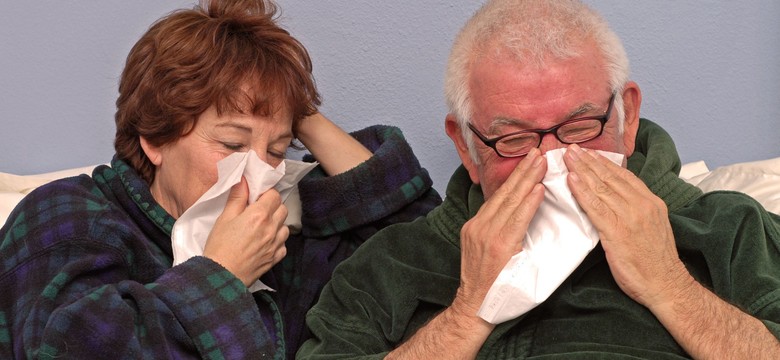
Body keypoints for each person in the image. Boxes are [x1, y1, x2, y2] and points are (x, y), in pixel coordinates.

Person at [299, 0, 780, 358]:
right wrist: (469, 311)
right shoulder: (389, 265)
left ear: (627, 117)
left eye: (579, 128)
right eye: (514, 140)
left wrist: (671, 285)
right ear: (466, 145)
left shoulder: (734, 230)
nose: (553, 160)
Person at [0, 1, 440, 358]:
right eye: (231, 145)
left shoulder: (282, 235)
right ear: (155, 138)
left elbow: (426, 254)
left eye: (275, 151)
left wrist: (293, 105)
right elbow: (63, 348)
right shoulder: (69, 217)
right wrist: (223, 274)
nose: (258, 171)